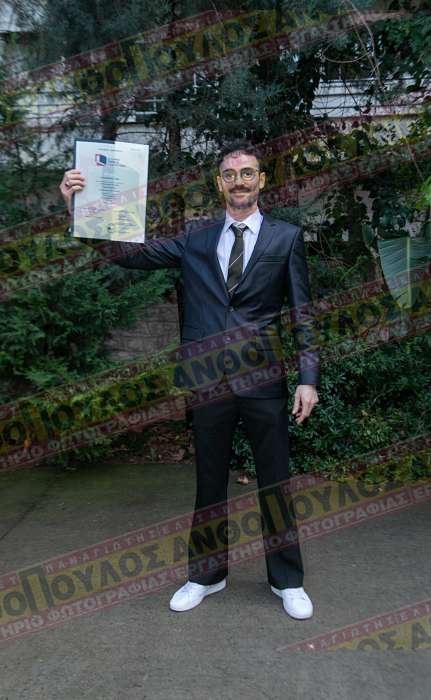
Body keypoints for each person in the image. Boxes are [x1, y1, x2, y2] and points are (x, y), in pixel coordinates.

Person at [59, 141, 320, 620]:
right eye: (229, 174)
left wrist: (308, 377)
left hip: (263, 377)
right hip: (207, 378)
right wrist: (80, 210)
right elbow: (130, 254)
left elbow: (302, 312)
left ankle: (287, 580)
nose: (239, 181)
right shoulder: (195, 238)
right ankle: (206, 575)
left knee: (275, 482)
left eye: (247, 173)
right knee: (208, 482)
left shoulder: (286, 238)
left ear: (261, 180)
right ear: (219, 183)